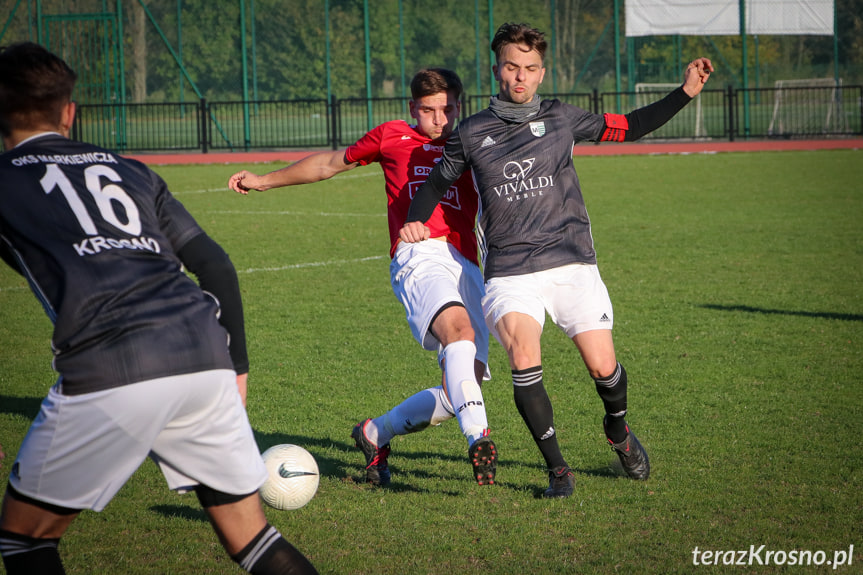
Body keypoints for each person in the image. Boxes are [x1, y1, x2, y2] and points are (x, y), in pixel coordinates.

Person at [0, 42, 317, 574]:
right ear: (69, 111)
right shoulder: (132, 170)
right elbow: (214, 265)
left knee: (23, 541)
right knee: (252, 539)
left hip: (112, 362)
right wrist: (236, 367)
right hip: (204, 353)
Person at [400, 23, 714, 498]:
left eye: (528, 68)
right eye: (511, 67)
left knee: (603, 368)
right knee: (524, 360)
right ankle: (558, 473)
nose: (519, 77)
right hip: (510, 271)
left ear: (541, 73)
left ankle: (619, 432)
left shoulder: (563, 118)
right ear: (496, 70)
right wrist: (413, 221)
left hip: (571, 261)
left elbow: (626, 127)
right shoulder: (471, 132)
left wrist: (685, 92)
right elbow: (435, 184)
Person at [227, 68, 497, 486]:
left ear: (460, 107)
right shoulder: (391, 135)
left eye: (448, 109)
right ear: (413, 108)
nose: (439, 120)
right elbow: (328, 164)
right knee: (458, 333)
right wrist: (263, 181)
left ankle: (375, 434)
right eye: (429, 110)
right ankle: (480, 439)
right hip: (419, 254)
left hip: (468, 266)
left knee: (460, 392)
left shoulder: (474, 143)